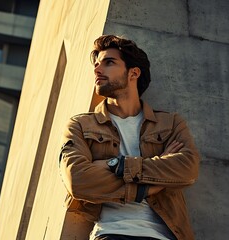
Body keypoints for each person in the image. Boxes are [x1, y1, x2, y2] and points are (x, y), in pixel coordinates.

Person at [59, 35, 200, 240]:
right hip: (111, 233)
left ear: (133, 73)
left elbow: (187, 168)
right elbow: (77, 180)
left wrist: (115, 165)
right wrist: (150, 184)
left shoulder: (170, 124)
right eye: (97, 64)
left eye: (109, 63)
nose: (97, 70)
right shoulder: (80, 125)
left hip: (165, 235)